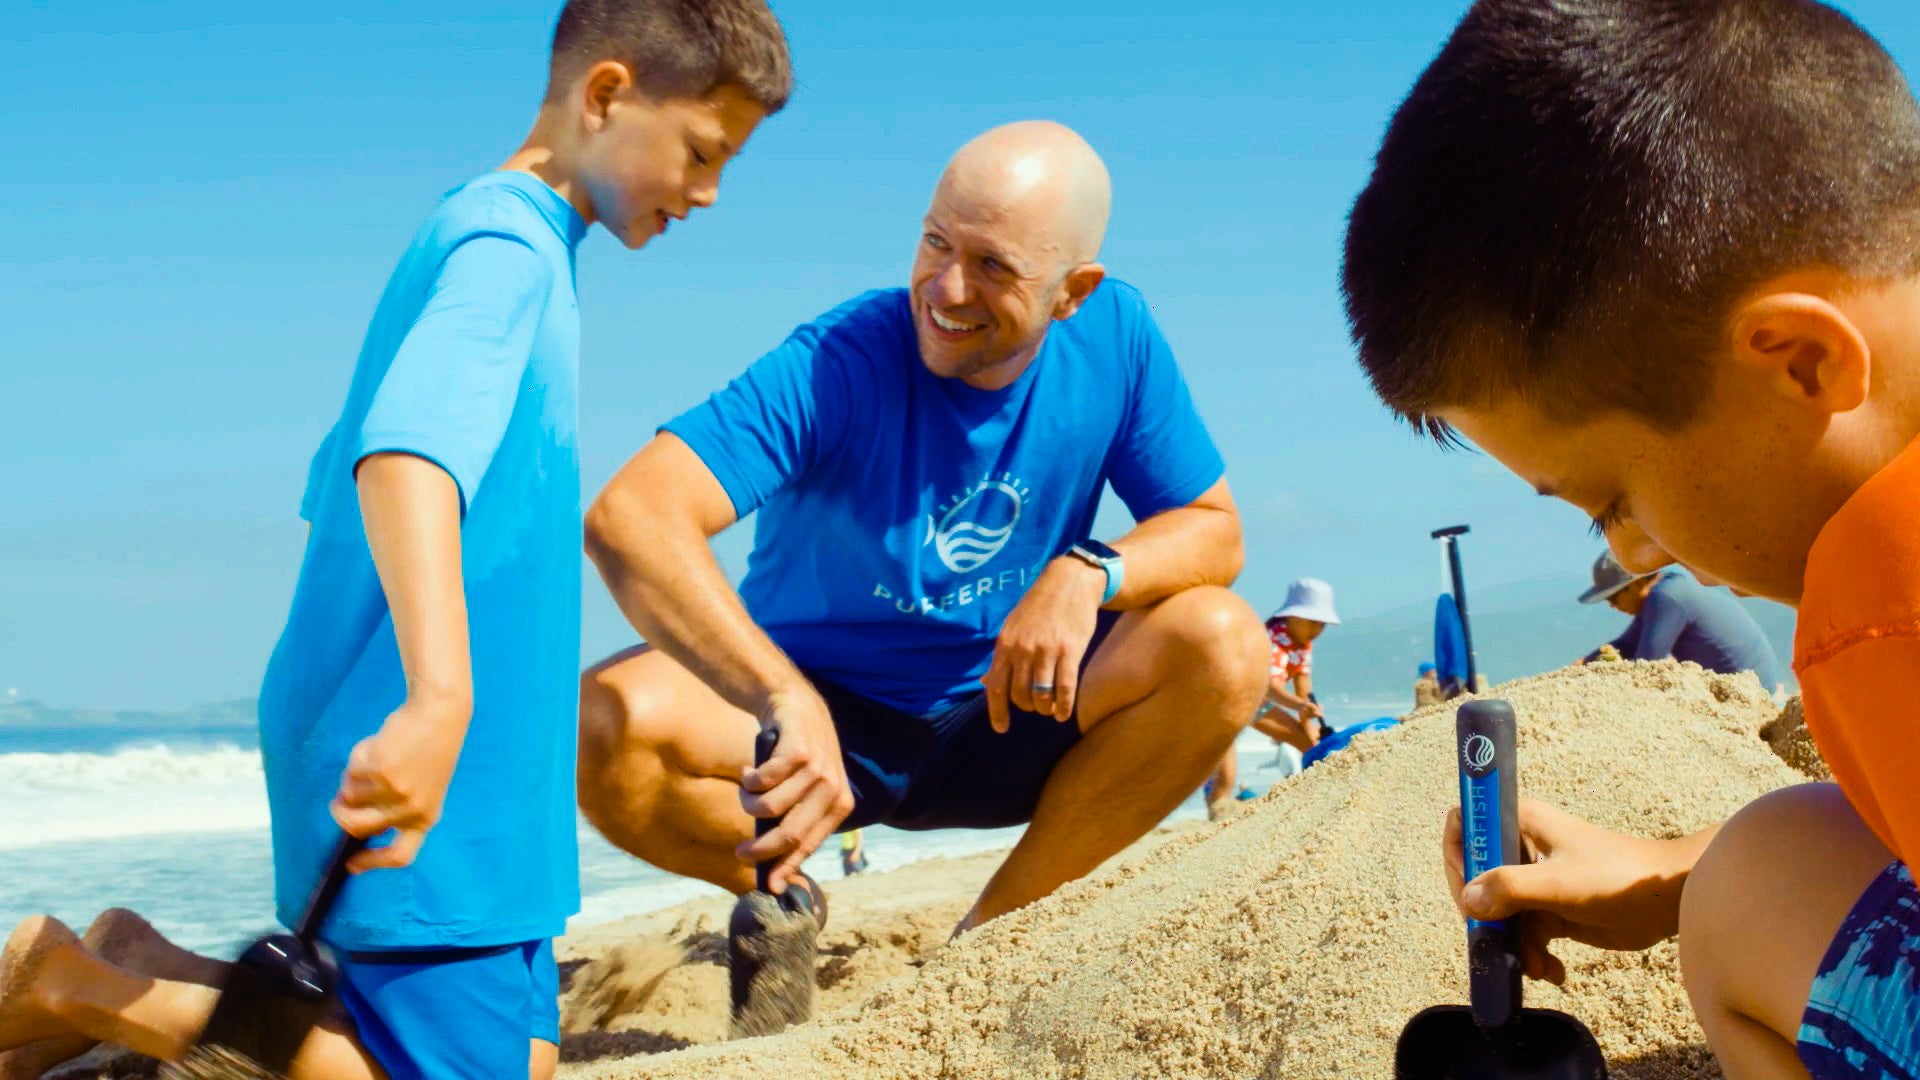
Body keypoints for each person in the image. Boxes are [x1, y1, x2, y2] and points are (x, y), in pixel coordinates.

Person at [0, 5, 791, 1078]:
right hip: (428, 752)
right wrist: (438, 699)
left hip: (491, 770)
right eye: (702, 153)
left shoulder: (520, 243)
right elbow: (401, 455)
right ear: (605, 96)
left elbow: (348, 468)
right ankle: (79, 982)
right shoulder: (504, 248)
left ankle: (140, 961)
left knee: (524, 1058)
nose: (705, 194)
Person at [1343, 0, 1920, 1073]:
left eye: (1613, 498)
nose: (1640, 553)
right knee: (1765, 855)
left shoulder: (1883, 596)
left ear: (1800, 363)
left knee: (1751, 901)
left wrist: (1709, 891)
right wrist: (1669, 871)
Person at [576, 120, 1269, 936]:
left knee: (1224, 642)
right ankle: (782, 899)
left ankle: (989, 940)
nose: (946, 289)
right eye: (937, 243)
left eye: (992, 267)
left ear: (1073, 292)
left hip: (1013, 710)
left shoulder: (1116, 336)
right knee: (607, 720)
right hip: (819, 738)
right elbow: (632, 517)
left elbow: (1214, 531)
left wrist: (1088, 570)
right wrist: (781, 695)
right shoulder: (841, 359)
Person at [1205, 578, 1340, 816]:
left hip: (1253, 701)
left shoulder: (1302, 642)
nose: (1317, 630)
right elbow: (1270, 686)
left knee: (1310, 745)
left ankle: (1317, 800)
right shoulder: (1274, 640)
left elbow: (1303, 689)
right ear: (1293, 617)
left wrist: (1309, 720)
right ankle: (1216, 815)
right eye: (1313, 622)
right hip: (1227, 700)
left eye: (1322, 625)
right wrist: (1301, 705)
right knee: (1227, 774)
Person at [1578, 551, 1786, 692]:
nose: (1612, 606)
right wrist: (1583, 663)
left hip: (1752, 694)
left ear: (1637, 583)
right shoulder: (1665, 592)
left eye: (1613, 597)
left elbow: (1646, 665)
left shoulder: (1667, 597)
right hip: (1757, 686)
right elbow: (1626, 645)